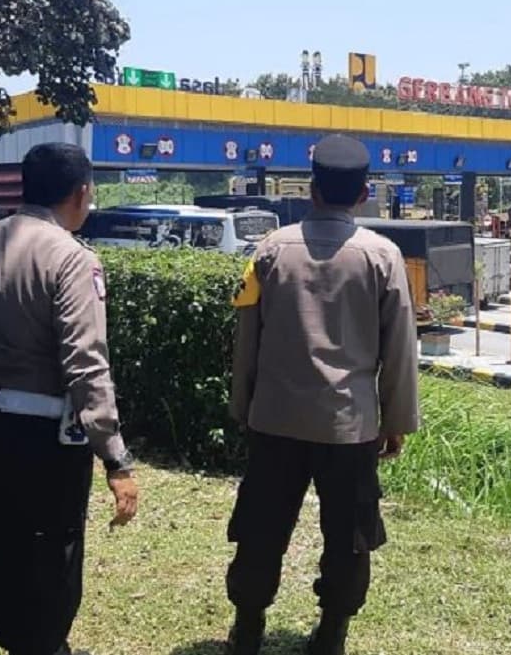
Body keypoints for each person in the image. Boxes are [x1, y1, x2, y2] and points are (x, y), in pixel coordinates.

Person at [0, 142, 139, 655]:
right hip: (48, 437)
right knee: (53, 549)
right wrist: (115, 458)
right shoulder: (72, 258)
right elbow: (86, 363)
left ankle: (18, 641)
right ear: (81, 192)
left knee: (1, 538)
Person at [226, 133, 419, 655]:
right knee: (349, 535)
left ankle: (247, 628)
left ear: (311, 190)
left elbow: (248, 340)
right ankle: (331, 633)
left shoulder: (269, 251)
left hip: (275, 420)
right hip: (349, 426)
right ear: (363, 195)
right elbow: (399, 347)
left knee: (261, 526)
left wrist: (243, 406)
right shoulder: (384, 256)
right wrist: (396, 419)